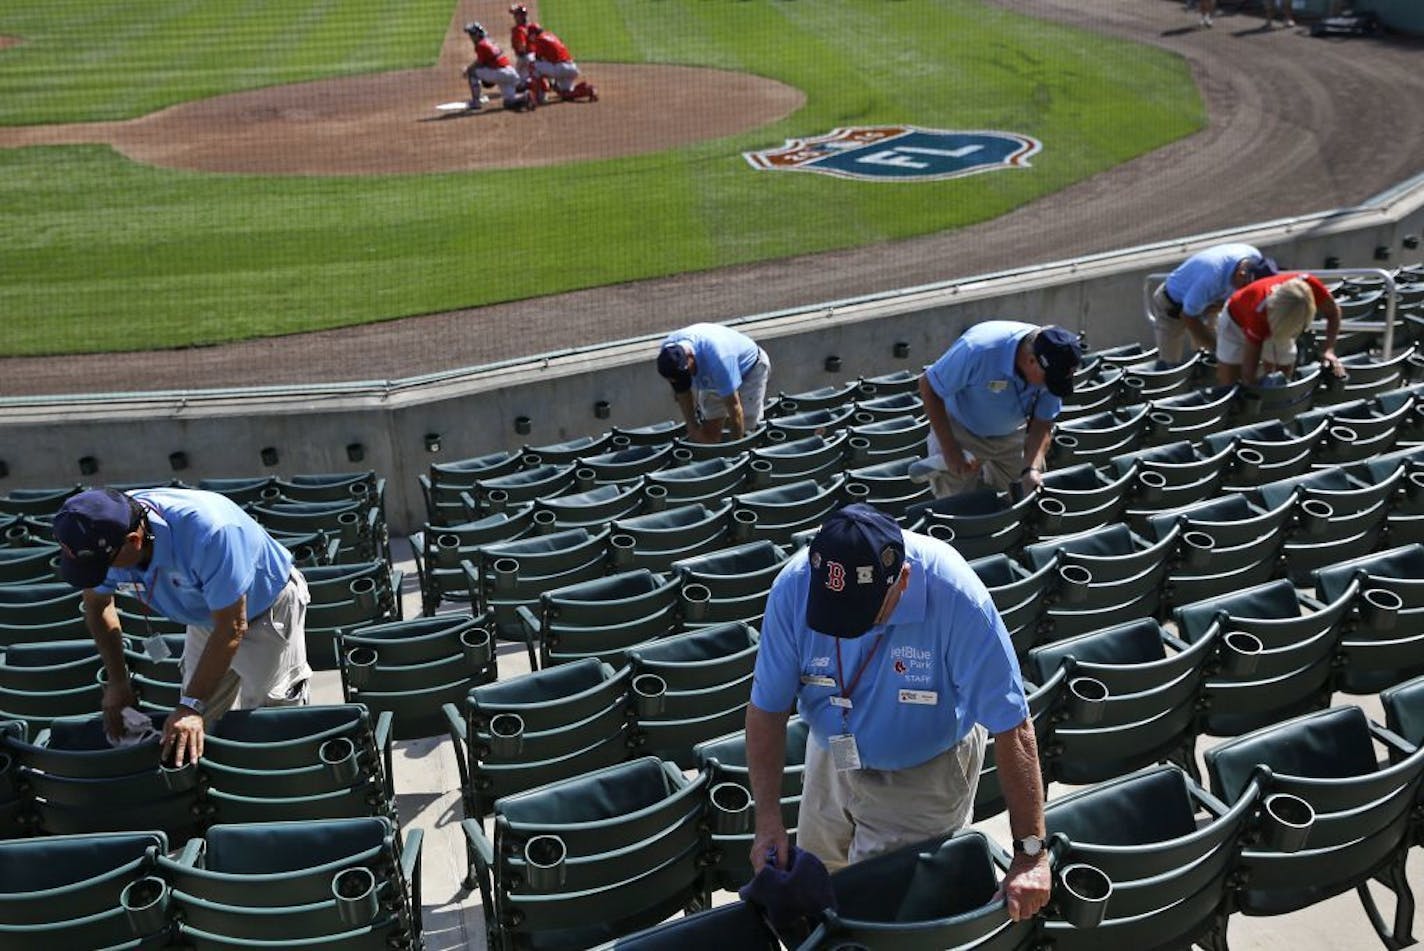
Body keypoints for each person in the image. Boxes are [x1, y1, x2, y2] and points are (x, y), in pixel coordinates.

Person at [744, 504, 1052, 920]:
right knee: (821, 889)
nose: (844, 627)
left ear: (902, 580)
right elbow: (767, 711)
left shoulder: (957, 596)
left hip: (924, 772)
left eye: (860, 613)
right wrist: (767, 819)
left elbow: (1013, 727)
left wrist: (1031, 854)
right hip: (831, 757)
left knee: (888, 914)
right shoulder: (794, 586)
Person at [54, 487, 312, 767]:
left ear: (134, 540)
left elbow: (232, 626)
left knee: (272, 724)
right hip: (206, 616)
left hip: (264, 611)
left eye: (102, 564)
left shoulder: (210, 531)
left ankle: (281, 790)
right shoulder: (102, 525)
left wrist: (191, 706)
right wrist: (118, 682)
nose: (102, 574)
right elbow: (98, 606)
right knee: (191, 727)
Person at [915, 321, 1083, 498]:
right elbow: (928, 385)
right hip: (961, 429)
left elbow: (1042, 423)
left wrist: (1031, 468)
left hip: (1013, 432)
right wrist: (949, 448)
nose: (1049, 386)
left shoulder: (1053, 365)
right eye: (1048, 380)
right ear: (1031, 360)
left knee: (1023, 498)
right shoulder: (977, 349)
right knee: (957, 509)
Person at [1149, 244, 1277, 365]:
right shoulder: (1211, 278)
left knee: (1209, 353)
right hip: (1172, 305)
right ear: (1241, 274)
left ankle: (1205, 371)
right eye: (1244, 288)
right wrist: (1215, 348)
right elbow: (1188, 316)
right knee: (1169, 361)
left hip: (1207, 302)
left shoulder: (1255, 258)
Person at [1217, 271, 1343, 385]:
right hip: (1235, 322)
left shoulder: (1311, 284)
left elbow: (1333, 313)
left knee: (1283, 374)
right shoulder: (1258, 314)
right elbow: (1248, 375)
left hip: (1278, 323)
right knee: (1231, 382)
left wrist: (1329, 350)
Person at [657, 323, 771, 443]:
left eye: (685, 375)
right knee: (709, 429)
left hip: (750, 370)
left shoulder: (718, 359)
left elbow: (734, 408)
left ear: (690, 357)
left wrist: (737, 448)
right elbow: (682, 392)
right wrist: (692, 427)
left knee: (748, 426)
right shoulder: (668, 354)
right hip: (712, 375)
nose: (684, 379)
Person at [462, 22, 535, 112]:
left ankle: (476, 102)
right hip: (510, 73)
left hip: (501, 73)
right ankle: (525, 97)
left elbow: (479, 63)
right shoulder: (489, 41)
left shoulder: (481, 45)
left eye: (472, 34)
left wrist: (468, 70)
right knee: (508, 103)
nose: (471, 37)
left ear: (477, 34)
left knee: (472, 72)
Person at [528, 24, 598, 103]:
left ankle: (537, 96)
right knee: (565, 94)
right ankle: (588, 90)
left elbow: (538, 59)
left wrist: (549, 81)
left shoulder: (539, 39)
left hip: (560, 68)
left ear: (533, 34)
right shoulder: (551, 35)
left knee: (533, 65)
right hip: (572, 68)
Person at [508, 4, 535, 84]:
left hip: (525, 58)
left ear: (521, 16)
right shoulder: (531, 26)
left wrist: (521, 56)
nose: (514, 17)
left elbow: (522, 47)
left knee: (517, 82)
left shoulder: (519, 30)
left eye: (516, 15)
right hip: (534, 56)